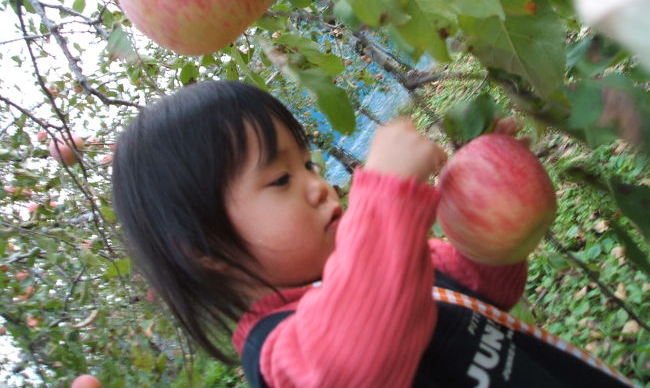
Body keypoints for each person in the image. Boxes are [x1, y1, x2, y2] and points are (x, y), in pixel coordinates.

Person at [112, 80, 636, 388]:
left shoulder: (390, 272)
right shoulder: (281, 357)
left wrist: (484, 202)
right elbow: (356, 360)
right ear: (205, 251)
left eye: (310, 164)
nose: (319, 188)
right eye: (280, 179)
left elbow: (484, 290)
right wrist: (384, 195)